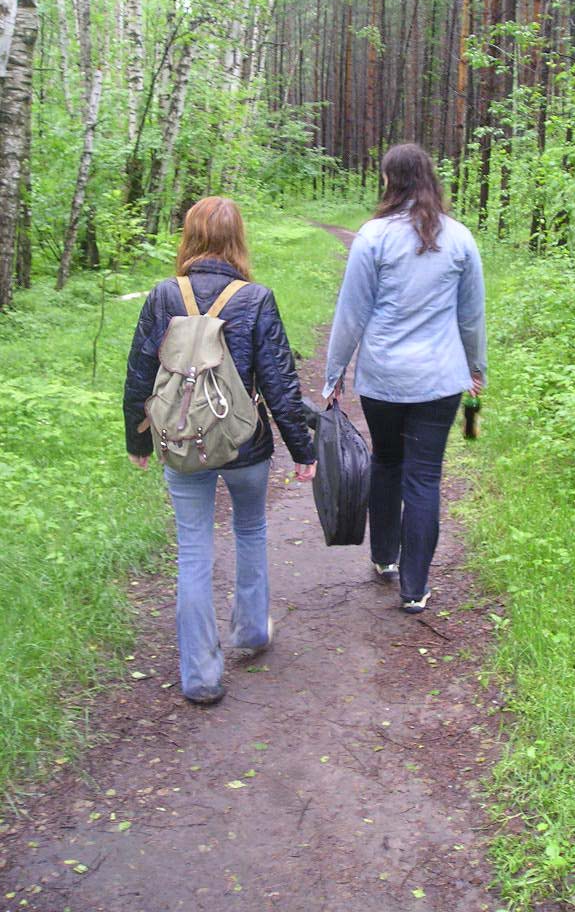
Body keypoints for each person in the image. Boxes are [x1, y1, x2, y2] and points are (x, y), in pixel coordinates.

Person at [124, 197, 316, 706]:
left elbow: (140, 373)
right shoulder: (256, 298)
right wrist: (302, 450)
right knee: (250, 529)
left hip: (180, 440)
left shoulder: (164, 295)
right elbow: (279, 384)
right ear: (238, 239)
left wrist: (138, 439)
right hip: (243, 443)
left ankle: (200, 676)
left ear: (189, 237)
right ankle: (251, 630)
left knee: (193, 549)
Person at [323, 143, 486, 613]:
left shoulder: (373, 237)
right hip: (440, 380)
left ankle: (384, 557)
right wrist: (476, 368)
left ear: (388, 180)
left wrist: (333, 374)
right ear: (431, 178)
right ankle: (415, 589)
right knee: (424, 477)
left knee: (387, 462)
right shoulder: (459, 238)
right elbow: (471, 316)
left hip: (384, 378)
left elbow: (352, 313)